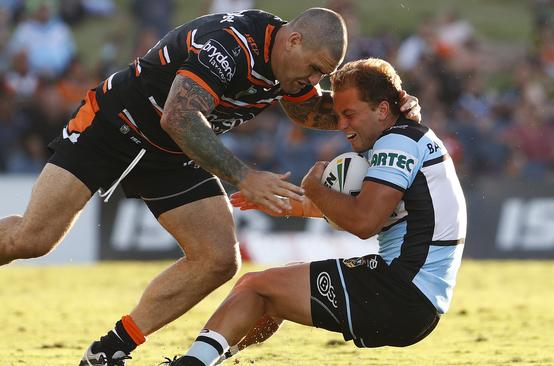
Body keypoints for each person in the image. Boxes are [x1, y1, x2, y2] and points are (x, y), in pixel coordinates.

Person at [0, 8, 420, 366]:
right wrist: (243, 175)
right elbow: (179, 114)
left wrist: (388, 113)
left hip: (174, 153)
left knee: (219, 259)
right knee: (35, 238)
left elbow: (313, 109)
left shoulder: (288, 67)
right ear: (293, 41)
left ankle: (113, 347)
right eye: (312, 69)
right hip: (116, 126)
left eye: (321, 75)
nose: (312, 81)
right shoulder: (231, 46)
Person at [167, 58, 466, 366]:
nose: (341, 125)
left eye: (349, 114)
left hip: (399, 290)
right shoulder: (407, 136)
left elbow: (363, 222)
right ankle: (208, 359)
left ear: (381, 110)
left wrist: (314, 187)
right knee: (274, 291)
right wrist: (286, 201)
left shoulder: (397, 142)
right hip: (418, 300)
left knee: (254, 286)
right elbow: (362, 213)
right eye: (338, 115)